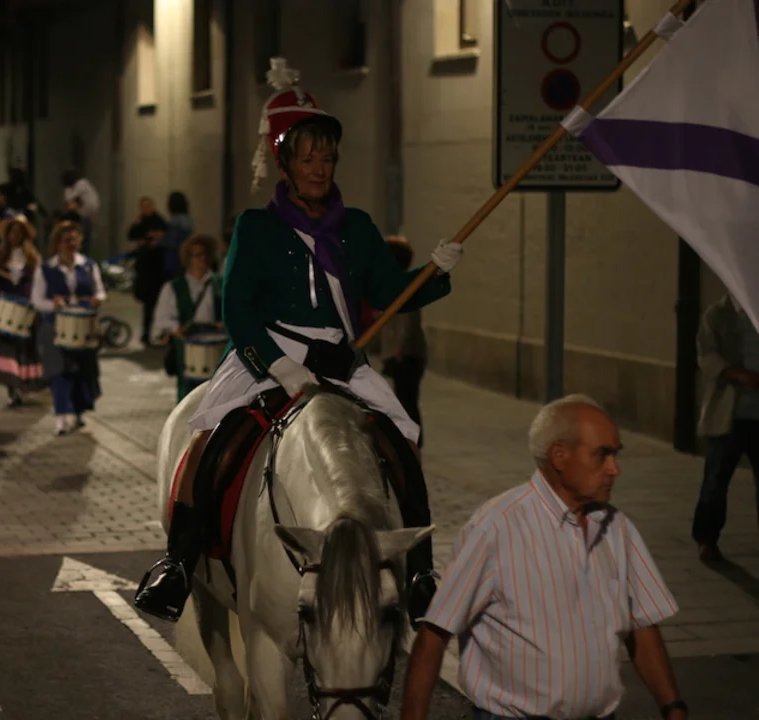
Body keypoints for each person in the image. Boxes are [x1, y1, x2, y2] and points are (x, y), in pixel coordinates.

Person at [134, 58, 463, 622]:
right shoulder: (256, 228)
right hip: (266, 357)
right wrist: (281, 366)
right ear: (284, 162)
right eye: (307, 158)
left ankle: (419, 572)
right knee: (208, 440)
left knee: (404, 438)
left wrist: (434, 272)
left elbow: (390, 293)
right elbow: (237, 309)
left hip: (341, 360)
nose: (319, 168)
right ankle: (179, 562)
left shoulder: (357, 227)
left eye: (327, 158)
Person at [400, 394, 687, 720]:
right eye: (602, 455)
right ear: (559, 456)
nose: (614, 469)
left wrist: (673, 706)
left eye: (615, 455)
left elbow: (642, 625)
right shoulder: (496, 528)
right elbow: (434, 634)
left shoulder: (617, 528)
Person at [691, 293, 759, 562]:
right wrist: (738, 374)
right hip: (728, 414)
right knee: (716, 481)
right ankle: (706, 539)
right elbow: (706, 355)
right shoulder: (718, 314)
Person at [31, 220, 106, 436]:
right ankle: (62, 417)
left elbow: (100, 291)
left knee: (84, 371)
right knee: (59, 372)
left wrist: (97, 299)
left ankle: (80, 412)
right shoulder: (46, 269)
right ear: (57, 243)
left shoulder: (89, 266)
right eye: (66, 240)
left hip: (84, 328)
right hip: (55, 328)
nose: (70, 244)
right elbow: (37, 300)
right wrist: (52, 305)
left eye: (74, 240)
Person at [0, 214, 47, 407]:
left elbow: (41, 282)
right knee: (7, 348)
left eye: (18, 232)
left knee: (25, 349)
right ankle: (12, 389)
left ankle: (23, 385)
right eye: (12, 232)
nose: (14, 235)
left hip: (27, 309)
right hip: (5, 310)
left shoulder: (33, 257)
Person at [151, 234, 224, 401]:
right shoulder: (173, 287)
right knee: (188, 397)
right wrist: (175, 328)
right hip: (186, 347)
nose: (203, 258)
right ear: (188, 259)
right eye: (197, 255)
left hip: (217, 347)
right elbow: (161, 318)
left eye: (205, 254)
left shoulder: (221, 283)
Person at [377, 235, 428, 448]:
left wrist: (400, 350)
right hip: (402, 353)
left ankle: (412, 443)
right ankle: (409, 441)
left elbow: (407, 321)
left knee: (407, 401)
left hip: (406, 355)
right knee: (404, 399)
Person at [128, 196, 169, 346]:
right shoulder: (141, 221)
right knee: (148, 304)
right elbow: (131, 235)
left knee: (160, 302)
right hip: (145, 268)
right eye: (143, 206)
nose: (145, 209)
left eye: (147, 206)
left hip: (157, 268)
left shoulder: (159, 220)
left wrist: (156, 238)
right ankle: (146, 334)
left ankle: (164, 333)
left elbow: (165, 236)